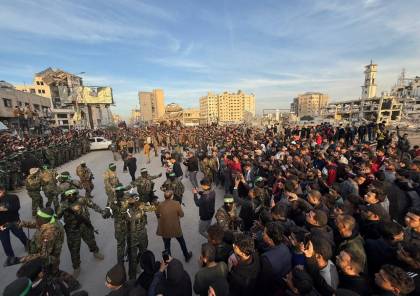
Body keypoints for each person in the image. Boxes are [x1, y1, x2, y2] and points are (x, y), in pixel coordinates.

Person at [57, 189, 105, 277]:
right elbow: (57, 217)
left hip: (85, 226)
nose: (71, 196)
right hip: (72, 230)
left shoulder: (82, 199)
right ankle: (76, 267)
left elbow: (93, 205)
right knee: (74, 249)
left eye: (73, 194)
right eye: (69, 195)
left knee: (91, 240)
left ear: (76, 193)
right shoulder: (63, 205)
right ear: (66, 196)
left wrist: (102, 211)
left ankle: (95, 252)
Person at [156, 190, 193, 262]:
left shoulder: (160, 205)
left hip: (165, 229)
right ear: (172, 196)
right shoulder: (176, 203)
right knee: (182, 242)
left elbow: (158, 215)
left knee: (167, 246)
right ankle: (186, 256)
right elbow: (182, 215)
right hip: (175, 227)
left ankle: (168, 261)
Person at [0, 185, 28, 266]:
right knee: (5, 241)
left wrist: (4, 208)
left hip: (13, 221)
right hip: (1, 225)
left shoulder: (13, 197)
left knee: (20, 234)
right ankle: (11, 257)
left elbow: (16, 207)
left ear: (3, 190)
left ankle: (27, 244)